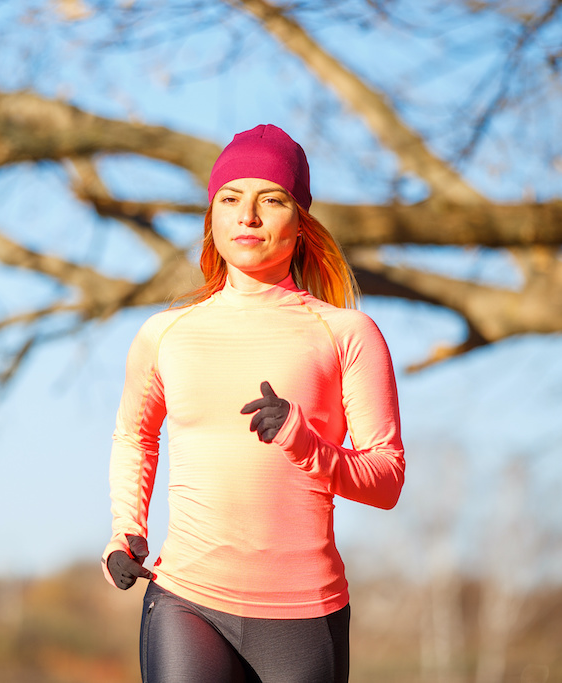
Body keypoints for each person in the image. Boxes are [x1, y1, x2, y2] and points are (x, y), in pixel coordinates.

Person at [101, 124, 405, 683]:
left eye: (272, 199)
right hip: (185, 599)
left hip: (304, 612)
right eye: (230, 199)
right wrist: (127, 529)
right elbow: (135, 436)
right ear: (212, 217)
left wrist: (302, 440)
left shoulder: (346, 333)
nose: (248, 216)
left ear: (301, 223)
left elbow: (387, 480)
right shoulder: (165, 333)